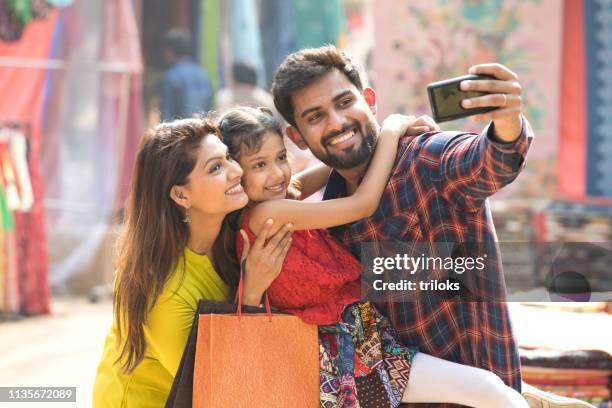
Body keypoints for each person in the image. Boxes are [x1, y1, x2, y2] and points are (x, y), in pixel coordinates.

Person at [270, 45, 594, 408]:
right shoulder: (326, 221)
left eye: (344, 102)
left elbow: (490, 161)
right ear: (297, 137)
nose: (336, 122)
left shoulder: (424, 159)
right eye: (315, 117)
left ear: (370, 100)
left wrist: (507, 123)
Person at [218, 106, 528, 408]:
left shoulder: (279, 197)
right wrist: (391, 131)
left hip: (359, 344)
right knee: (487, 390)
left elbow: (335, 166)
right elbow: (361, 204)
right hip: (347, 359)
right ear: (234, 170)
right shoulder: (266, 213)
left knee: (487, 391)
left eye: (282, 157)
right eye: (259, 164)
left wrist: (369, 138)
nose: (277, 172)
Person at [91, 118, 292, 406]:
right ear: (181, 194)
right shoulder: (164, 292)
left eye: (229, 158)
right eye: (216, 168)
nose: (236, 171)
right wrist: (251, 292)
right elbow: (213, 390)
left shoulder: (228, 228)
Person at [159, 29, 213, 121]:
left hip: (179, 133)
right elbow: (209, 110)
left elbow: (166, 115)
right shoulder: (203, 75)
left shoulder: (171, 77)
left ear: (169, 51)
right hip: (201, 131)